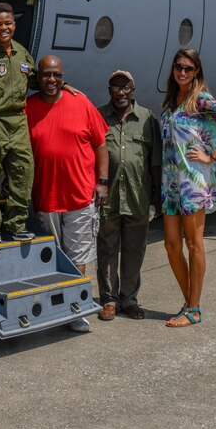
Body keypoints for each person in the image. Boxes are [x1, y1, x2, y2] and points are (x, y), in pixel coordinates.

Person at [0, 3, 76, 243]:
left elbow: (38, 80)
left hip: (17, 121)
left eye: (8, 23)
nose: (4, 28)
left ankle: (16, 223)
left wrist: (62, 84)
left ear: (14, 25)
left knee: (23, 172)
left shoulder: (22, 53)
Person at [160, 48, 216, 328]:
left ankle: (193, 309)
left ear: (196, 71)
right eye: (178, 67)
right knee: (171, 245)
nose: (182, 72)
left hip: (194, 181)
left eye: (188, 68)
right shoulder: (173, 101)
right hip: (171, 183)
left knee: (193, 243)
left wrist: (212, 156)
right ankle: (190, 302)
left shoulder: (201, 99)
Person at [25, 55, 109, 333]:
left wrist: (103, 181)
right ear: (38, 77)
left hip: (80, 196)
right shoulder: (28, 108)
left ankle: (75, 309)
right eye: (47, 75)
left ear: (63, 77)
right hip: (45, 197)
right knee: (52, 258)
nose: (52, 80)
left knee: (78, 257)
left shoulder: (81, 102)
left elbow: (100, 145)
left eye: (57, 75)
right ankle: (55, 308)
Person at [96, 70, 161, 321]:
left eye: (125, 87)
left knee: (135, 250)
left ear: (133, 90)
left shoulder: (147, 119)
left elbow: (154, 161)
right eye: (115, 87)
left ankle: (129, 299)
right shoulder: (100, 117)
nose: (120, 92)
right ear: (109, 90)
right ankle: (109, 301)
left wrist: (157, 197)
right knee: (107, 249)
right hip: (108, 197)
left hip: (138, 195)